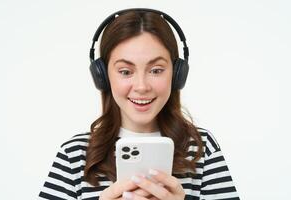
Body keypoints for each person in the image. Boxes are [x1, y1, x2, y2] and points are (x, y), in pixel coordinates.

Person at [38, 8, 239, 200]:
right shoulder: (74, 155)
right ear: (103, 77)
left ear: (177, 75)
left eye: (156, 70)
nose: (141, 87)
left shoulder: (202, 148)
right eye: (125, 71)